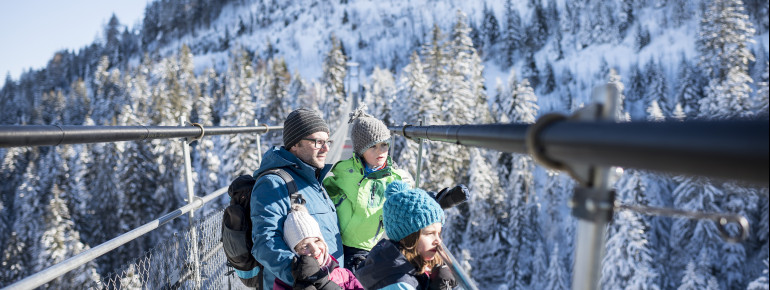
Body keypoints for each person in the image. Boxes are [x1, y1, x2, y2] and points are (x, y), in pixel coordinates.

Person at [250, 108, 344, 288]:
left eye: (327, 141)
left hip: (331, 280)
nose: (326, 148)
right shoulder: (273, 183)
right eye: (318, 142)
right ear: (295, 145)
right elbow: (265, 243)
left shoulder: (313, 179)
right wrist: (302, 275)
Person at [323, 107, 414, 273]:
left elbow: (408, 201)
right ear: (360, 150)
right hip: (335, 239)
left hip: (364, 245)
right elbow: (326, 189)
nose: (380, 151)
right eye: (373, 147)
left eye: (384, 145)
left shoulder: (395, 178)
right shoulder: (344, 170)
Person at [355, 181, 458, 290]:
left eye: (439, 234)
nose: (438, 241)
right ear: (408, 237)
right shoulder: (399, 283)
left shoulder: (407, 266)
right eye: (430, 233)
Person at [274, 203, 364, 290]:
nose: (315, 249)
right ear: (294, 251)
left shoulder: (344, 275)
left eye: (317, 240)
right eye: (305, 246)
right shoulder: (284, 282)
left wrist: (326, 285)